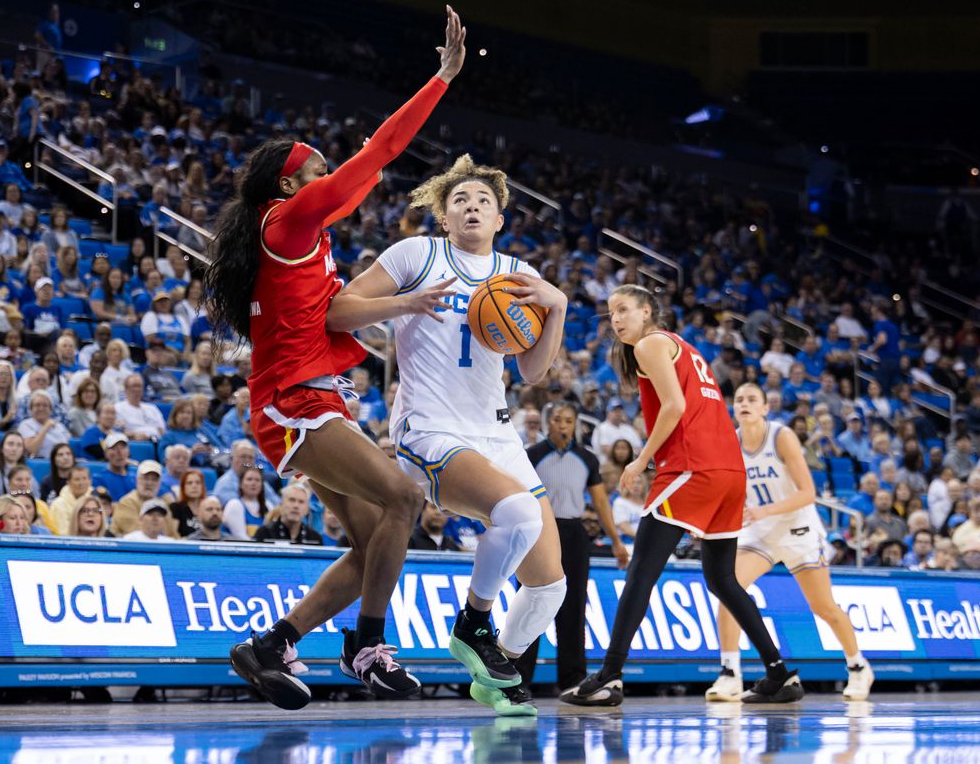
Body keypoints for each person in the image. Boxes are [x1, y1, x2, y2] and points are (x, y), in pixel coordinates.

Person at [207, 7, 465, 708]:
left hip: (305, 399)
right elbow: (379, 150)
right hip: (297, 401)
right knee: (406, 497)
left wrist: (403, 306)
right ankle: (367, 646)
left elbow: (333, 313)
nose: (330, 176)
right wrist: (440, 79)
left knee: (375, 536)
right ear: (290, 185)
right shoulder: (287, 220)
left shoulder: (300, 243)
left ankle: (269, 646)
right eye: (318, 169)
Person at [327, 154, 573, 717]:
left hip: (496, 430)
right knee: (518, 514)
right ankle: (474, 623)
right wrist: (404, 304)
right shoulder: (418, 254)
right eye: (459, 200)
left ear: (500, 219)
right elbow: (339, 311)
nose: (471, 206)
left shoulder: (519, 274)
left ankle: (495, 671)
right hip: (429, 428)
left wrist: (555, 308)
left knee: (548, 587)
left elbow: (533, 373)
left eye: (482, 201)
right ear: (443, 217)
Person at [563, 285, 803, 707]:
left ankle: (610, 676)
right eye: (610, 312)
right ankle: (779, 673)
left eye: (623, 309)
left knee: (641, 571)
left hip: (693, 468)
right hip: (729, 472)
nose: (615, 319)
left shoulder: (652, 344)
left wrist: (640, 461)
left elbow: (673, 407)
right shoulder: (686, 348)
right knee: (722, 580)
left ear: (647, 312)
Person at [707, 382, 874, 702]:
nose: (744, 404)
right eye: (739, 399)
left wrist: (762, 511)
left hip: (798, 527)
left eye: (752, 399)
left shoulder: (781, 436)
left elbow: (807, 493)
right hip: (760, 530)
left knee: (822, 606)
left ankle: (858, 666)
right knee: (729, 591)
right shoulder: (732, 441)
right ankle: (729, 674)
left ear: (765, 408)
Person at [514, 402, 627, 692]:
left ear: (575, 424)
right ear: (547, 423)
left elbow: (601, 502)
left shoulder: (587, 458)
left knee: (574, 608)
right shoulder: (532, 455)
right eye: (557, 419)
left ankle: (573, 681)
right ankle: (518, 679)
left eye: (568, 420)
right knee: (531, 602)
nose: (563, 425)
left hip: (574, 533)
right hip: (539, 532)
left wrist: (616, 541)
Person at [254, 481, 321, 544]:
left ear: (307, 509)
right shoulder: (264, 533)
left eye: (301, 502)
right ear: (281, 504)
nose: (296, 506)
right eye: (291, 500)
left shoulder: (315, 539)